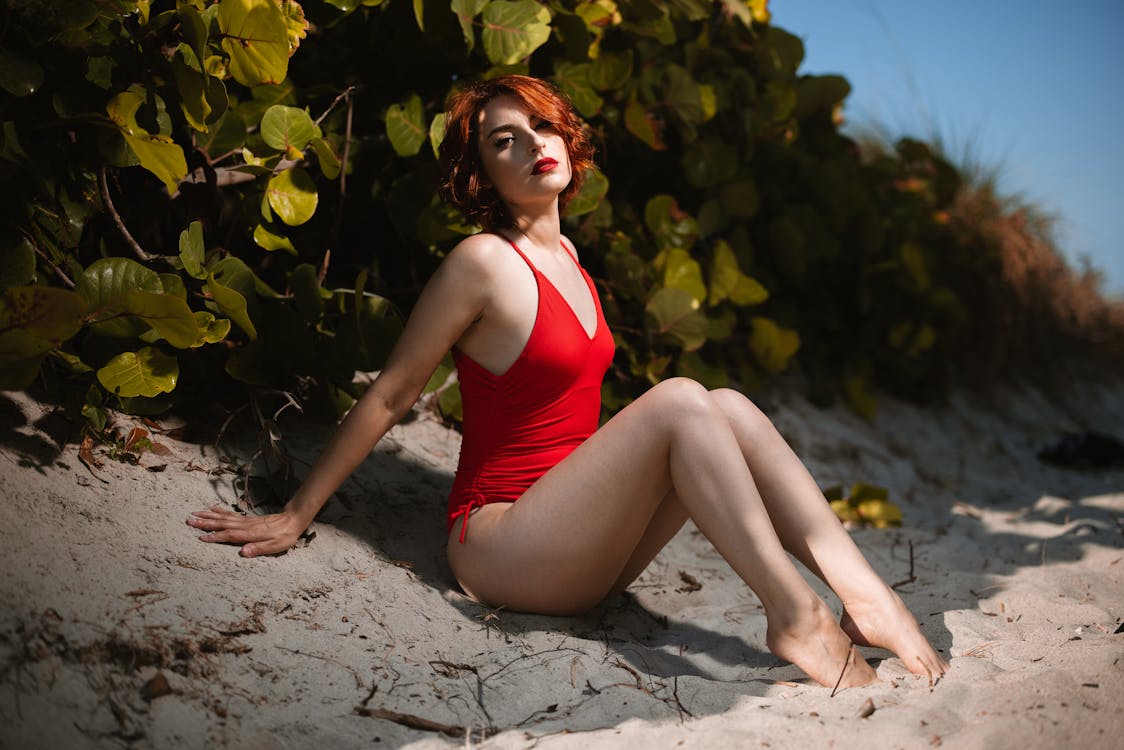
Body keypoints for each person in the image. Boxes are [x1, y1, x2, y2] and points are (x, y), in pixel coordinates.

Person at [186, 75, 949, 689]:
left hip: (584, 551)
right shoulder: (482, 263)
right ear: (481, 173)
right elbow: (392, 393)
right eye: (502, 141)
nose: (531, 147)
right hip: (501, 543)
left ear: (567, 141)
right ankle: (795, 616)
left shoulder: (575, 262)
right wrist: (295, 513)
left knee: (728, 406)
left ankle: (865, 596)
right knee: (684, 400)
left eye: (542, 128)